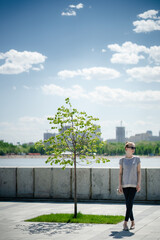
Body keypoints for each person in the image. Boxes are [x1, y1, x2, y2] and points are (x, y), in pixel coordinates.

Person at [118, 141, 141, 231]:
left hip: (134, 185)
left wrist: (138, 183)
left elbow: (139, 172)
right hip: (124, 185)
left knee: (129, 203)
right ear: (126, 149)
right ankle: (133, 222)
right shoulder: (122, 160)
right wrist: (120, 185)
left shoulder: (137, 159)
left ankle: (125, 223)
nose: (133, 149)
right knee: (128, 205)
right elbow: (120, 173)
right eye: (132, 147)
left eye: (134, 148)